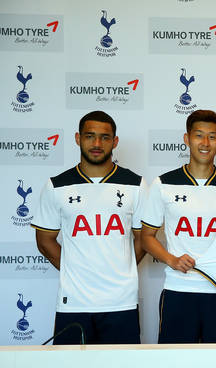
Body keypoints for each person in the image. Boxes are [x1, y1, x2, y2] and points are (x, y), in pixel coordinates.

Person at [32, 110, 146, 344]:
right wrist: (74, 270)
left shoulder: (135, 184)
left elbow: (144, 238)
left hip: (121, 301)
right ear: (77, 138)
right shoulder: (57, 185)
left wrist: (120, 268)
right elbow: (44, 241)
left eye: (105, 137)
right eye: (89, 136)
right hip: (73, 302)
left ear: (115, 141)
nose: (97, 143)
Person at [141, 110, 216, 343]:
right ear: (186, 138)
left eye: (212, 136)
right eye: (199, 135)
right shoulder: (163, 183)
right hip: (179, 290)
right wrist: (172, 260)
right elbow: (146, 237)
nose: (205, 143)